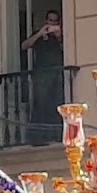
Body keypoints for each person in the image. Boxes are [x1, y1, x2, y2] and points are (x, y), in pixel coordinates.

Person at [21, 9, 65, 144]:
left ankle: (56, 135)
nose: (52, 24)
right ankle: (38, 137)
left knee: (56, 104)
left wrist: (59, 36)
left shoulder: (61, 35)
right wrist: (40, 33)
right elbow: (24, 45)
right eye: (50, 21)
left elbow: (66, 48)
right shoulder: (39, 34)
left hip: (56, 73)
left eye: (55, 21)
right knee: (40, 104)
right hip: (41, 74)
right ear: (46, 21)